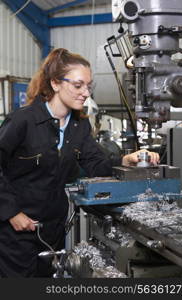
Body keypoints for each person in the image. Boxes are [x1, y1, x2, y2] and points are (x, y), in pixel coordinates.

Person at [0, 48, 159, 277]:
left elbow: (97, 162)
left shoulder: (79, 125)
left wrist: (127, 159)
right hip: (16, 230)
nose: (85, 92)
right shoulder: (23, 121)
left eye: (88, 86)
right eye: (78, 85)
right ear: (55, 83)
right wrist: (11, 212)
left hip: (52, 230)